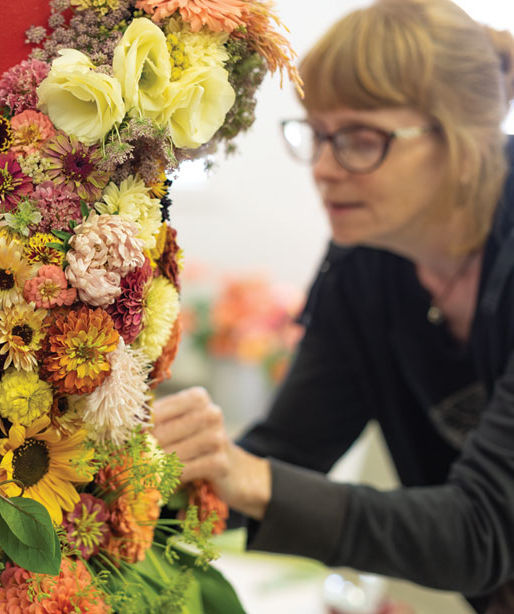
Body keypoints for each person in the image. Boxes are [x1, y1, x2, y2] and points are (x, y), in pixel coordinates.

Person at [152, 1, 514, 612]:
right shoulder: (367, 264)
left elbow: (483, 530)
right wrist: (144, 476)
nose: (323, 168)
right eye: (318, 135)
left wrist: (251, 478)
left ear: (463, 140)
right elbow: (290, 450)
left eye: (358, 140)